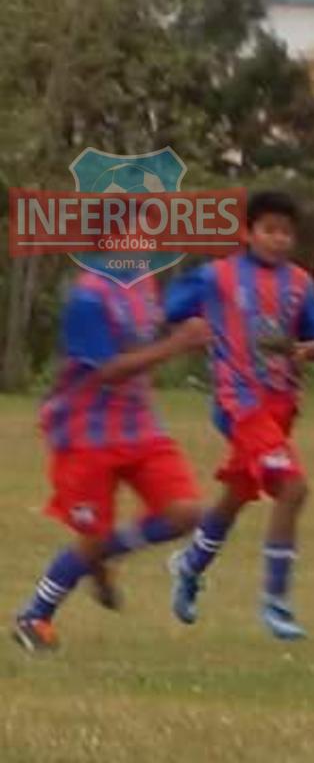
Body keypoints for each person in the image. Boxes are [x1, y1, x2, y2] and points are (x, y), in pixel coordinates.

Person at [12, 271, 211, 652]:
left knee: (185, 512)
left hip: (140, 428)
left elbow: (151, 331)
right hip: (83, 433)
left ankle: (97, 559)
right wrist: (177, 344)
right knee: (92, 538)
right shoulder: (88, 296)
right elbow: (108, 370)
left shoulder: (144, 285)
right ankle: (35, 615)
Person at [164, 191, 314, 640]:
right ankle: (276, 602)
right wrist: (191, 330)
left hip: (280, 405)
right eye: (269, 230)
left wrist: (307, 351)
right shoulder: (217, 276)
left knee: (238, 493)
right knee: (293, 489)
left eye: (286, 232)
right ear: (248, 233)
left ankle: (190, 565)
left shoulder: (300, 284)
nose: (278, 239)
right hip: (239, 403)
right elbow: (172, 308)